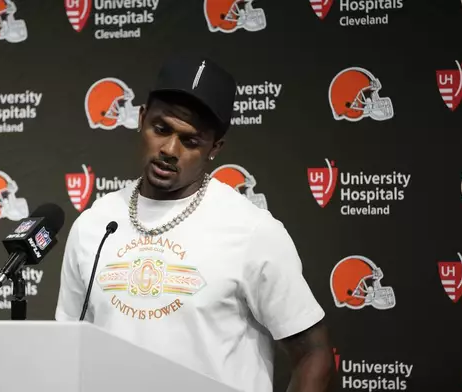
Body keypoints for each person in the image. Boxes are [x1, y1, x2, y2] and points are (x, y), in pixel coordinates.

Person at [55, 54, 335, 392]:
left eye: (190, 140)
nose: (170, 149)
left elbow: (314, 355)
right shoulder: (94, 225)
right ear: (141, 118)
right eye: (161, 129)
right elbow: (70, 348)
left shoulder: (252, 231)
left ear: (215, 147)